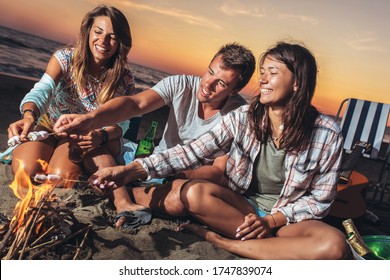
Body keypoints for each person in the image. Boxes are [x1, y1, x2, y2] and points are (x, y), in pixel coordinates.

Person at [84, 41, 351, 259]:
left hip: (286, 220)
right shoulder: (245, 117)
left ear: (297, 82)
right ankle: (273, 249)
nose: (264, 80)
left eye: (273, 72)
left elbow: (321, 200)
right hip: (240, 209)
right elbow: (192, 152)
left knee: (334, 244)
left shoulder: (326, 133)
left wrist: (272, 221)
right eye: (263, 72)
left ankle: (228, 243)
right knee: (195, 193)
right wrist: (133, 169)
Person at [54, 43, 256, 229]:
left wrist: (169, 173)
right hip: (150, 159)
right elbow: (135, 104)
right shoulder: (181, 84)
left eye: (220, 83)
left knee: (180, 201)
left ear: (234, 90)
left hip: (178, 177)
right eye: (210, 72)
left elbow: (218, 172)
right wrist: (91, 119)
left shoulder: (237, 115)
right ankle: (123, 197)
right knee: (93, 142)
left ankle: (122, 192)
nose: (208, 84)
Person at [7, 4, 149, 224]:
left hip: (79, 138)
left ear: (121, 42)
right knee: (25, 169)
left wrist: (99, 136)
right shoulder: (64, 58)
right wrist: (28, 115)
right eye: (98, 32)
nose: (103, 41)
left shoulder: (124, 80)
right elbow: (42, 90)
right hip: (47, 125)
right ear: (88, 32)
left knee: (61, 178)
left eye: (112, 36)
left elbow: (120, 125)